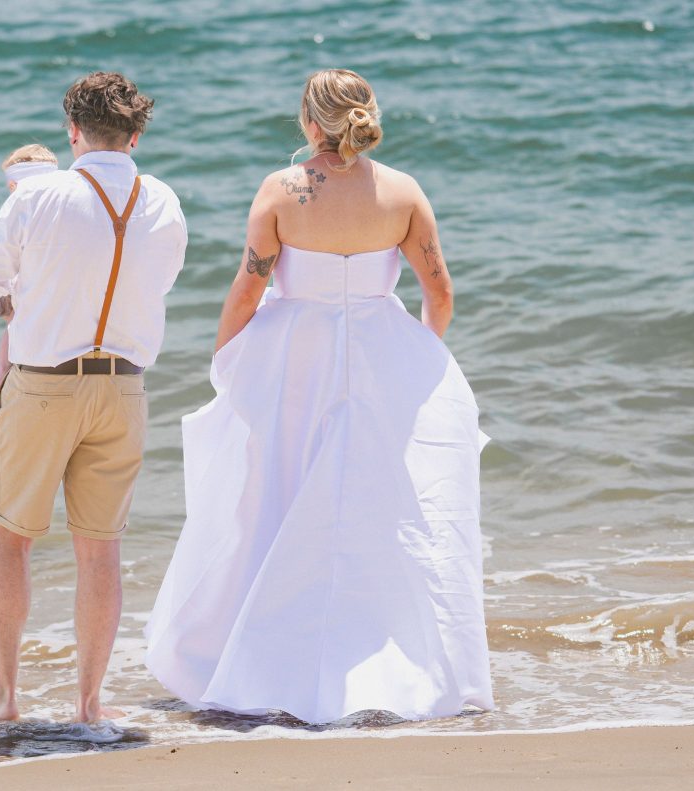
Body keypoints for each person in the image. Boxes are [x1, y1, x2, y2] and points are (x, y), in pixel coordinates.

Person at [145, 69, 494, 724]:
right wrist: (414, 359)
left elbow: (248, 289)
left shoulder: (282, 190)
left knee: (274, 504)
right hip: (380, 357)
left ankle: (260, 665)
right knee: (381, 514)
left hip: (293, 364)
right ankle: (399, 665)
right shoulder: (403, 191)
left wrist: (225, 361)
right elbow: (440, 292)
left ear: (310, 123)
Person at [0, 71, 187, 723]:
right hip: (123, 388)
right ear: (135, 136)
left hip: (44, 385)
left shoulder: (38, 195)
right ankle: (90, 704)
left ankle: (5, 699)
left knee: (12, 539)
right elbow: (157, 283)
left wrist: (17, 302)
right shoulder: (164, 201)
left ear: (73, 132)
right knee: (100, 548)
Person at [0, 144, 60, 405]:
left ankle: (3, 371)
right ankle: (3, 370)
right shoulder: (62, 211)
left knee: (13, 321)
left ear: (14, 186)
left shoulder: (19, 211)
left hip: (26, 292)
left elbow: (2, 233)